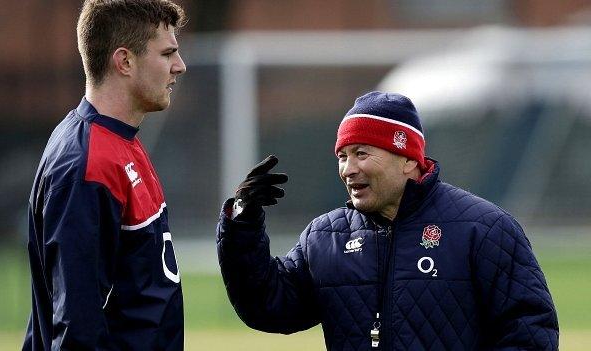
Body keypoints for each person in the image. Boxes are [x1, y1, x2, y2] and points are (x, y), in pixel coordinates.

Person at [216, 92, 559, 350]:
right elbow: (269, 307)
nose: (348, 169)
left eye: (362, 153)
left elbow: (531, 331)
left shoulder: (484, 229)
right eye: (342, 156)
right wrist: (242, 224)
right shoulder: (325, 236)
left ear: (408, 160)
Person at [23, 1, 186, 350]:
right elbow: (76, 327)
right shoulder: (87, 165)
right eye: (167, 53)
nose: (179, 66)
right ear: (124, 61)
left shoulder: (120, 140)